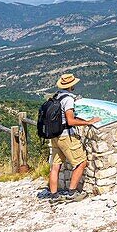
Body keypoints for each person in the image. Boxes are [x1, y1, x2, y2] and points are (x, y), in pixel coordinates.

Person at [41, 73, 98, 201]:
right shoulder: (68, 99)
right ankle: (72, 193)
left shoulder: (57, 96)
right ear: (71, 85)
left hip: (55, 135)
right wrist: (88, 122)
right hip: (66, 136)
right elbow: (70, 121)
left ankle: (54, 195)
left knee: (56, 166)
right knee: (81, 162)